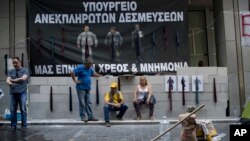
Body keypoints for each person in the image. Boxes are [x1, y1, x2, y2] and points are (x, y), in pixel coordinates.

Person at [70, 57, 101, 122]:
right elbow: (72, 72)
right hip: (81, 88)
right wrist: (75, 80)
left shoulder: (90, 68)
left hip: (87, 88)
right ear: (86, 63)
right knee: (82, 103)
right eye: (89, 64)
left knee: (88, 103)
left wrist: (101, 76)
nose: (90, 65)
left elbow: (94, 73)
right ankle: (83, 117)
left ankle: (90, 117)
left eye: (91, 64)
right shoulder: (80, 67)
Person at [6, 57, 29, 132]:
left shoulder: (25, 70)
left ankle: (24, 125)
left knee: (23, 109)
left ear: (20, 62)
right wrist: (9, 82)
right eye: (13, 63)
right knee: (13, 110)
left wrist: (12, 80)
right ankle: (13, 125)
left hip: (22, 92)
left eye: (16, 62)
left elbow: (23, 79)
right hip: (13, 93)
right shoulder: (11, 71)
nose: (14, 64)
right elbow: (7, 80)